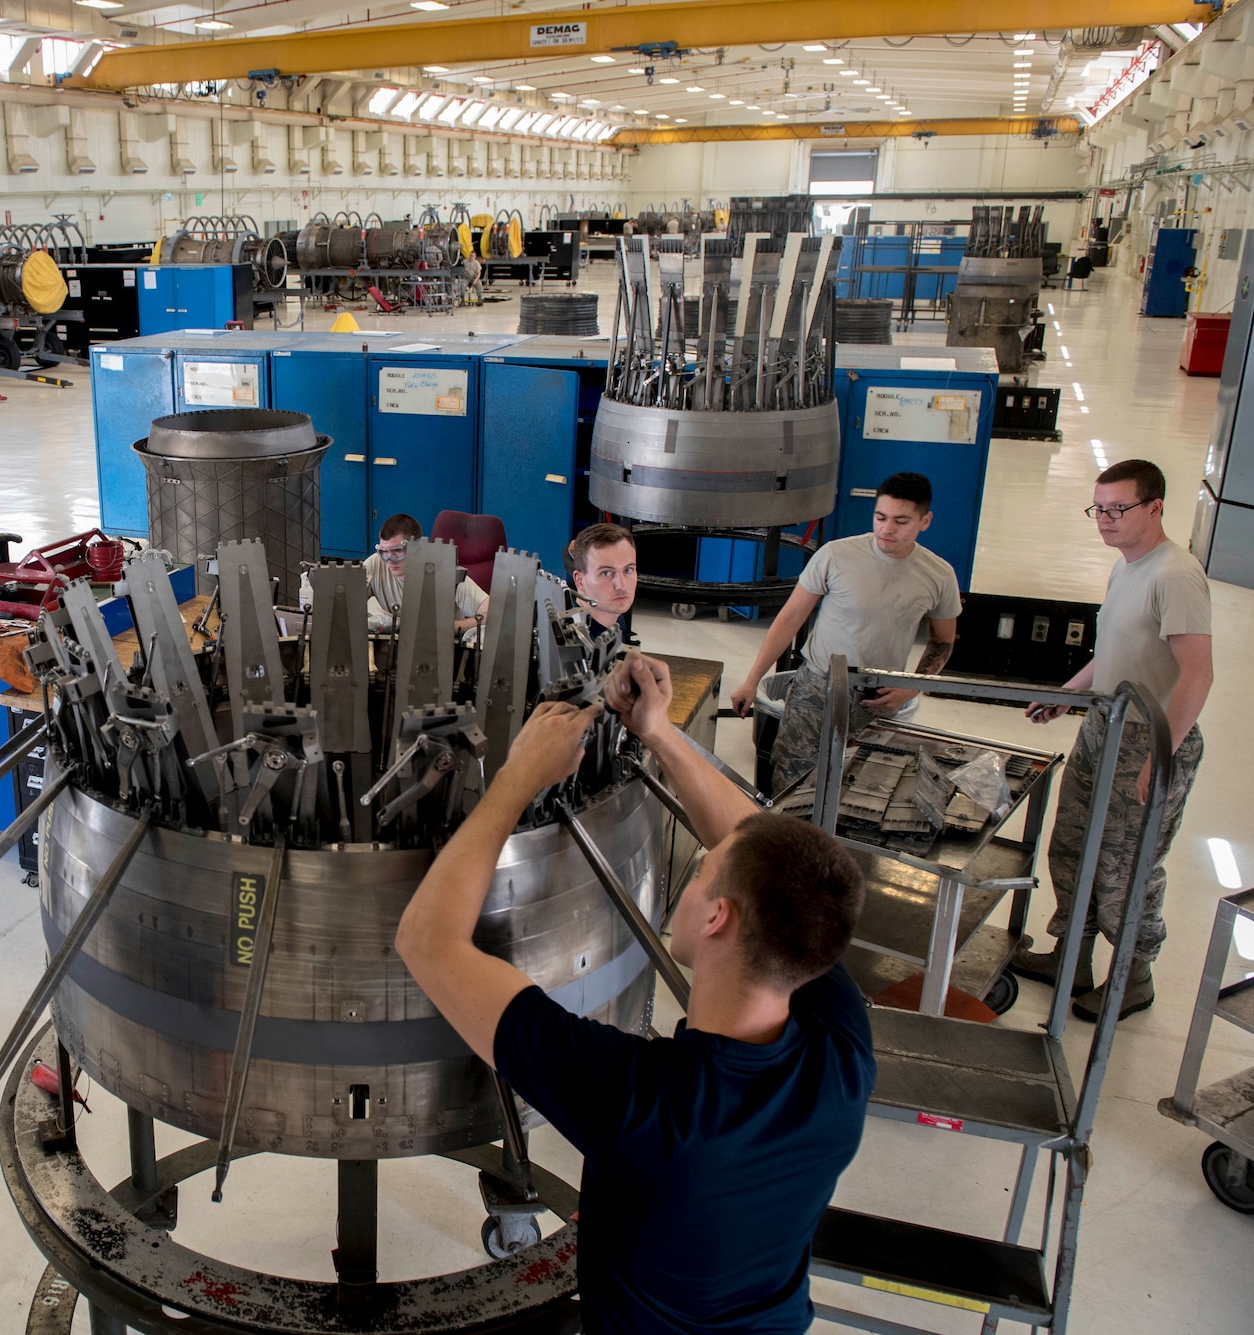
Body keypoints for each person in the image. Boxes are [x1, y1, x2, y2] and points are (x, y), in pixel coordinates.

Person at [396, 654, 872, 1334]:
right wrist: (658, 731)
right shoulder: (841, 1051)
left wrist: (517, 777)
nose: (697, 870)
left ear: (717, 918)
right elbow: (766, 855)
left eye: (702, 872)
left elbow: (426, 941)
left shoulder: (642, 1103)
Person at [1012, 459, 1212, 1021]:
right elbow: (1116, 652)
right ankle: (1071, 959)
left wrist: (1159, 758)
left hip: (1149, 739)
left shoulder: (1175, 575)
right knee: (1073, 845)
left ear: (1155, 507)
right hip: (1105, 724)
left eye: (1118, 508)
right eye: (1098, 509)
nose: (1105, 519)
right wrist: (1070, 693)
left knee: (1126, 867)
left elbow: (1197, 675)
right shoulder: (1127, 566)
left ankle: (1132, 978)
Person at [730, 472, 961, 791]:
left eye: (901, 521)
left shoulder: (939, 575)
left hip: (880, 696)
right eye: (880, 517)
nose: (887, 529)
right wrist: (751, 680)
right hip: (818, 687)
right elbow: (790, 619)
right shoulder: (836, 555)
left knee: (865, 788)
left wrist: (912, 687)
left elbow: (942, 641)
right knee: (792, 781)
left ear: (925, 521)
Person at [301, 514, 487, 638]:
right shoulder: (376, 563)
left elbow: (493, 615)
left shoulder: (444, 572)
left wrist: (453, 627)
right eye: (383, 551)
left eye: (397, 551)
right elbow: (343, 602)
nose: (389, 559)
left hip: (439, 655)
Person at [567, 522, 638, 639]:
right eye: (606, 573)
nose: (621, 585)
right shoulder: (576, 643)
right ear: (580, 580)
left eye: (628, 570)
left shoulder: (616, 620)